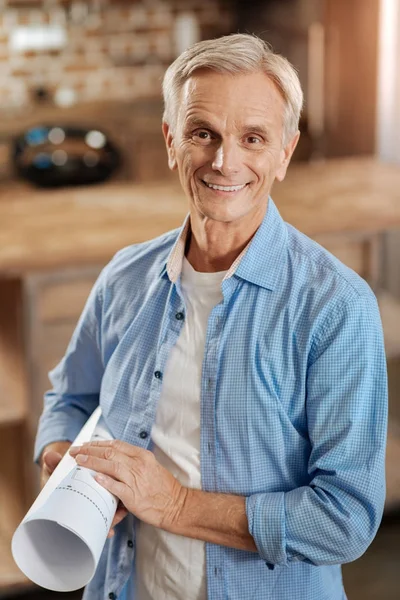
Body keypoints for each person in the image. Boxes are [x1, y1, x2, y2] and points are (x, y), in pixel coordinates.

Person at [36, 33, 388, 600]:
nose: (226, 161)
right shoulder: (125, 276)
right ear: (172, 141)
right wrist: (59, 455)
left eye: (253, 138)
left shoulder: (335, 307)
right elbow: (71, 400)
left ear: (285, 153)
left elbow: (344, 519)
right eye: (203, 133)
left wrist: (172, 504)